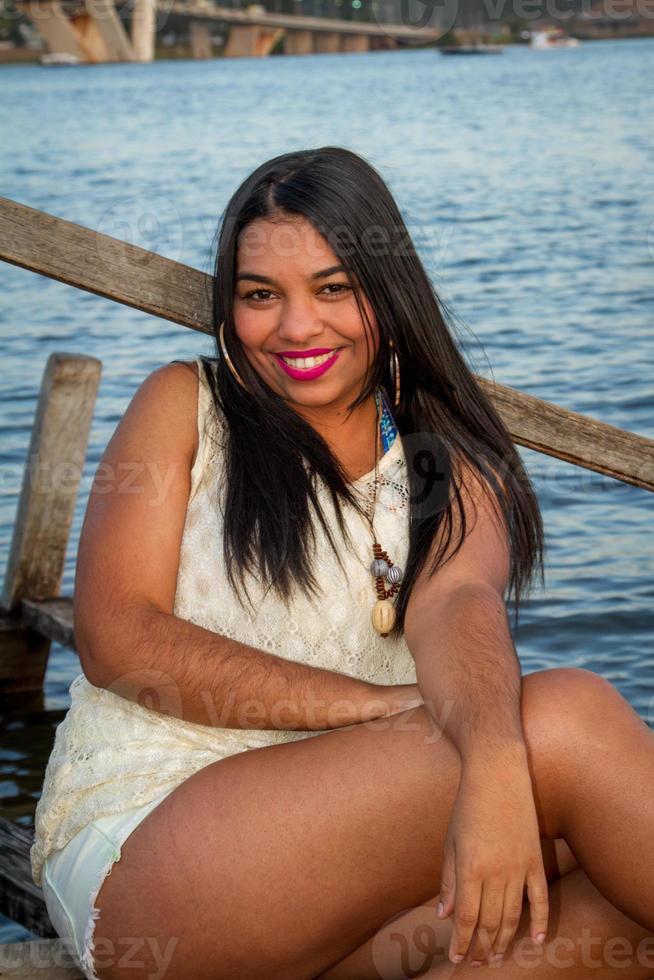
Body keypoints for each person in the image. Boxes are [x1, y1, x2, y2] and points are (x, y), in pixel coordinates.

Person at [32, 146, 654, 980]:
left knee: (607, 921)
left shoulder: (445, 458)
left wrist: (493, 759)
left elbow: (456, 601)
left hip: (361, 868)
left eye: (333, 289)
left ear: (388, 296)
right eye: (262, 295)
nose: (296, 327)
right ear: (230, 305)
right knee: (568, 722)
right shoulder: (187, 406)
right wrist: (387, 712)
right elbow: (118, 638)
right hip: (156, 843)